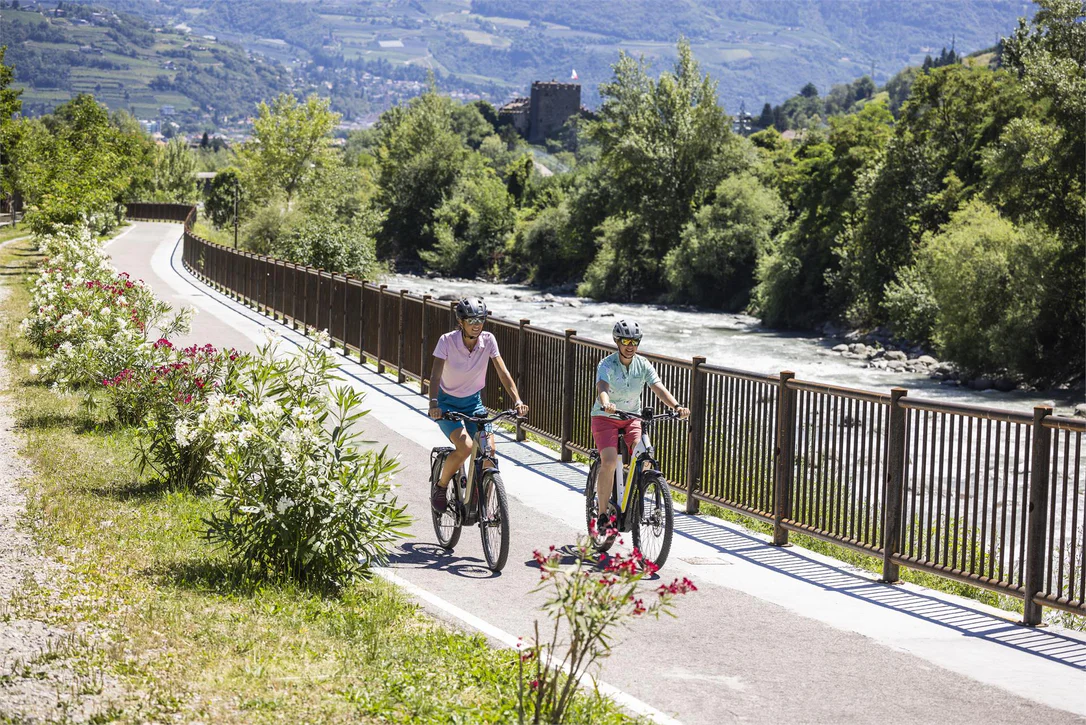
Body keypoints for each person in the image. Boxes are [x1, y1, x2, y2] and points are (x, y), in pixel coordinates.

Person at [428, 297, 528, 512]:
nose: (477, 325)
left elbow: (503, 372)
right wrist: (434, 402)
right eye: (471, 320)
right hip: (446, 404)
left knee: (489, 452)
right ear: (461, 322)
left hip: (474, 403)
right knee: (465, 447)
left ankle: (482, 497)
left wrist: (517, 400)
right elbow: (435, 375)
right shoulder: (447, 340)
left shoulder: (488, 340)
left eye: (481, 319)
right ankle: (441, 485)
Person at [591, 319, 689, 531]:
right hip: (605, 417)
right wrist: (606, 402)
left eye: (635, 341)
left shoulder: (643, 364)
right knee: (608, 461)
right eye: (626, 340)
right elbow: (602, 386)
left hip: (632, 417)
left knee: (644, 457)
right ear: (617, 341)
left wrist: (677, 406)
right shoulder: (606, 364)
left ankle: (631, 492)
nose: (630, 345)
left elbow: (658, 387)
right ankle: (601, 514)